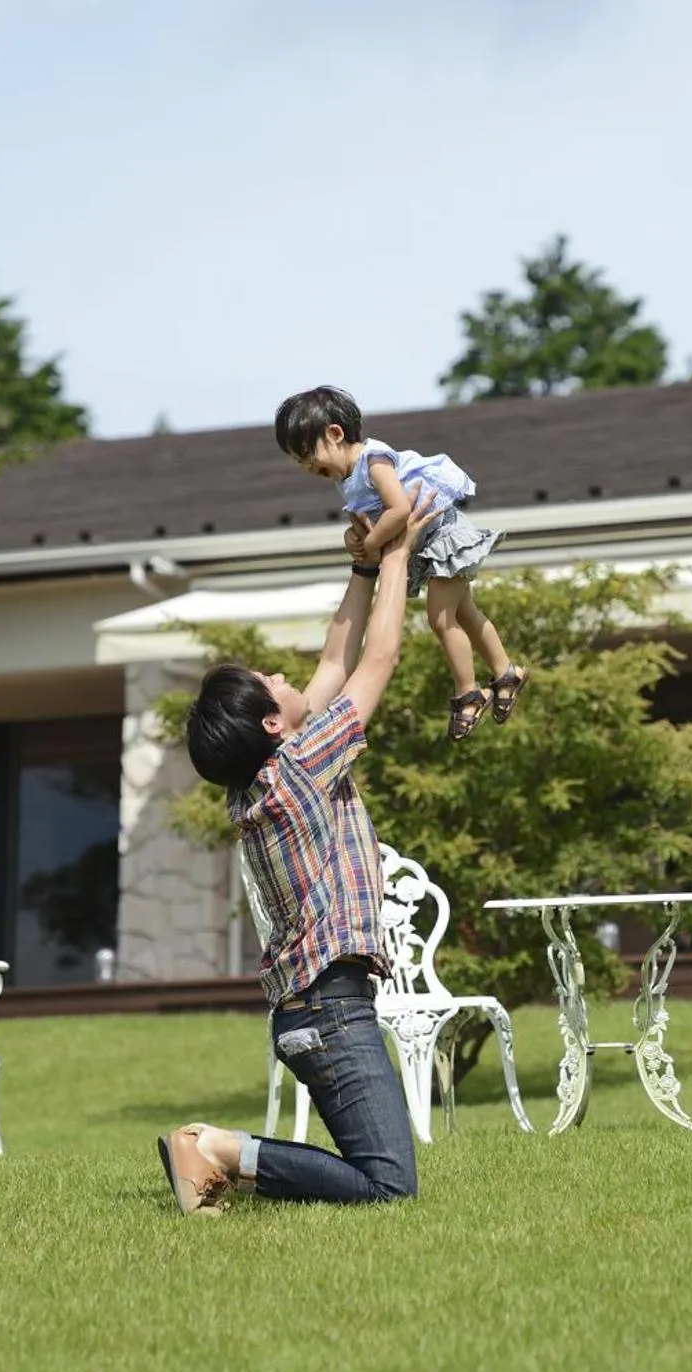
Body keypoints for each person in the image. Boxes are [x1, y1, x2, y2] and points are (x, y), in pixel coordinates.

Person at [154, 488, 444, 1213]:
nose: (286, 677)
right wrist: (402, 546)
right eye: (271, 684)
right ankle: (214, 1150)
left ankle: (217, 1155)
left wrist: (363, 567)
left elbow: (333, 660)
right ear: (274, 726)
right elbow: (379, 656)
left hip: (312, 1008)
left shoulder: (265, 778)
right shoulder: (303, 764)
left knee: (384, 1180)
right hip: (331, 1009)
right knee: (389, 1187)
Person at [274, 384, 527, 741]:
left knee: (441, 619)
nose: (307, 466)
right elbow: (362, 519)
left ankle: (467, 691)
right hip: (426, 545)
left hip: (442, 538)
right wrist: (355, 538)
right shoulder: (344, 478)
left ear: (334, 434)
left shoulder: (373, 460)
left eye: (307, 453)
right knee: (465, 612)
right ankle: (505, 671)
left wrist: (374, 543)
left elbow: (400, 509)